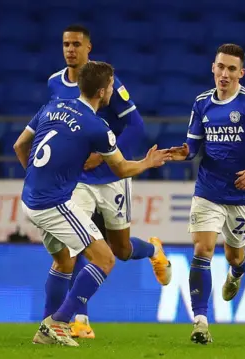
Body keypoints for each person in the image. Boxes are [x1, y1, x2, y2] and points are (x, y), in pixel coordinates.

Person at [13, 61, 172, 346]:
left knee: (64, 261)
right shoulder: (97, 127)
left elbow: (19, 145)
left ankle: (46, 331)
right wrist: (149, 162)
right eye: (111, 85)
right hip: (53, 204)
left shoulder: (52, 106)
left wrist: (37, 178)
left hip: (30, 199)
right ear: (102, 92)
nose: (113, 89)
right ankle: (59, 323)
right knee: (105, 258)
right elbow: (122, 169)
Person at [48, 24, 172, 339]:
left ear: (89, 48)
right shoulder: (54, 83)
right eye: (66, 44)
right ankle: (79, 320)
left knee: (122, 249)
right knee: (79, 244)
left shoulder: (107, 83)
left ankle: (154, 249)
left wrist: (105, 153)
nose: (70, 50)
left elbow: (137, 126)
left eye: (76, 44)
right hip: (78, 180)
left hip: (113, 176)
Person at [167, 43, 245, 344]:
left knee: (234, 255)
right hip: (208, 189)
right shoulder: (201, 103)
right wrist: (182, 153)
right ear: (213, 67)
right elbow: (193, 146)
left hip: (242, 195)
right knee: (202, 249)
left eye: (231, 69)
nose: (224, 73)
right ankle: (200, 321)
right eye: (220, 67)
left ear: (241, 73)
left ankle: (237, 272)